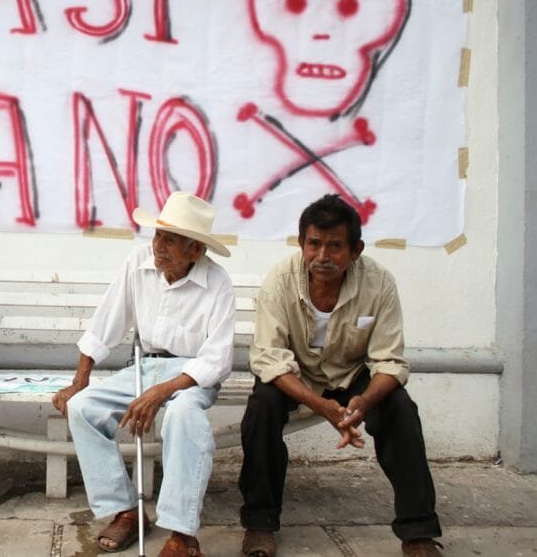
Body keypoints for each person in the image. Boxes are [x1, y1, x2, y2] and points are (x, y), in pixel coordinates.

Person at [239, 194, 443, 557]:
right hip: (298, 374)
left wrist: (364, 401)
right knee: (262, 407)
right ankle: (259, 524)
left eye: (335, 246)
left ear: (355, 250)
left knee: (399, 409)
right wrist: (319, 405)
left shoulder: (379, 283)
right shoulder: (280, 280)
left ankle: (418, 533)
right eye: (314, 244)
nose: (322, 256)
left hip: (353, 374)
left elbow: (389, 361)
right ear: (301, 244)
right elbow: (270, 359)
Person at [52, 192, 236, 557]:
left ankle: (182, 534)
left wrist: (163, 391)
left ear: (196, 250)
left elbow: (217, 358)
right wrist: (79, 380)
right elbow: (106, 321)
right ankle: (127, 511)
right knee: (83, 408)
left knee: (183, 416)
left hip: (190, 374)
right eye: (158, 235)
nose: (159, 246)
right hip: (145, 366)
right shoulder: (138, 261)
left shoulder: (218, 282)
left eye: (171, 240)